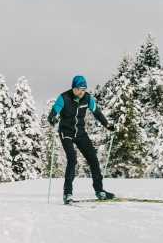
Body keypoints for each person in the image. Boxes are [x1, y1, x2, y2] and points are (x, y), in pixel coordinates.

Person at [48, 75, 116, 205]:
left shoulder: (87, 98)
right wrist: (52, 119)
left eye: (84, 89)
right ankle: (67, 193)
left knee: (93, 159)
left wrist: (107, 125)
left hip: (80, 133)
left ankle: (99, 191)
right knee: (72, 159)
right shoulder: (64, 98)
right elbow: (53, 112)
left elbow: (97, 112)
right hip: (66, 132)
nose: (81, 92)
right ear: (73, 87)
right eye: (79, 89)